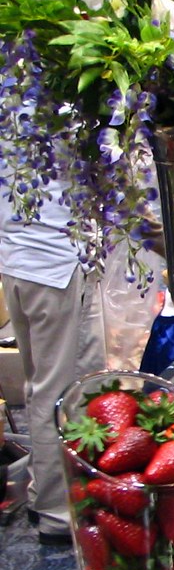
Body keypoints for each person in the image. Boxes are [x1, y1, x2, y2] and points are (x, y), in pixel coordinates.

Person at [0, 172, 107, 546]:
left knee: (42, 385)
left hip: (20, 261)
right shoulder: (64, 111)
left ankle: (40, 495)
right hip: (57, 264)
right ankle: (59, 513)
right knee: (61, 394)